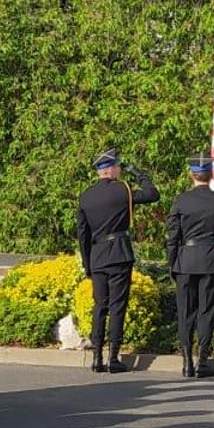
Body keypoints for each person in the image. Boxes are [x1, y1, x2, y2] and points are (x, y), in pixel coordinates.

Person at [75, 149, 160, 373]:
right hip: (119, 254)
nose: (120, 171)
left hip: (97, 256)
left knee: (99, 306)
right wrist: (139, 174)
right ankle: (113, 357)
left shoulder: (86, 196)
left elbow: (83, 235)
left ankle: (96, 357)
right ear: (111, 169)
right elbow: (153, 194)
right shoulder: (123, 190)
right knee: (117, 306)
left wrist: (87, 264)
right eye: (119, 167)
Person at [165, 153, 214, 378]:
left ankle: (187, 362)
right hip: (211, 258)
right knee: (206, 312)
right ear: (211, 174)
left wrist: (172, 262)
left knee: (185, 312)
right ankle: (202, 361)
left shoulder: (181, 200)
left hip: (185, 260)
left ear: (191, 174)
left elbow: (172, 236)